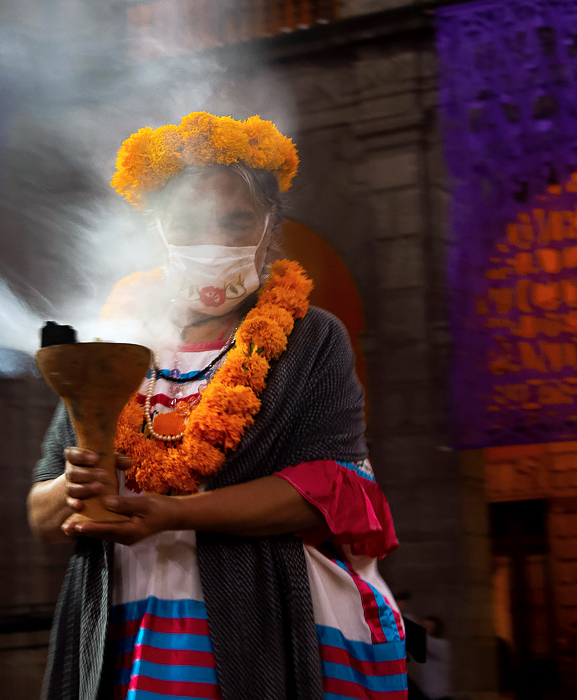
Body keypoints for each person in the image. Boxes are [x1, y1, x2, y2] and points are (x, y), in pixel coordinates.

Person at [27, 112, 406, 700]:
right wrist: (72, 489)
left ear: (270, 225)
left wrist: (174, 513)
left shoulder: (311, 338)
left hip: (251, 617)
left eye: (236, 222)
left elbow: (330, 489)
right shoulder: (111, 342)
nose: (213, 241)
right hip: (116, 626)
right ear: (157, 228)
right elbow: (42, 514)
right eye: (189, 223)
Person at [421, 616, 452, 700]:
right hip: (426, 692)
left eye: (428, 627)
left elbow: (422, 638)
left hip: (438, 694)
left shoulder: (441, 645)